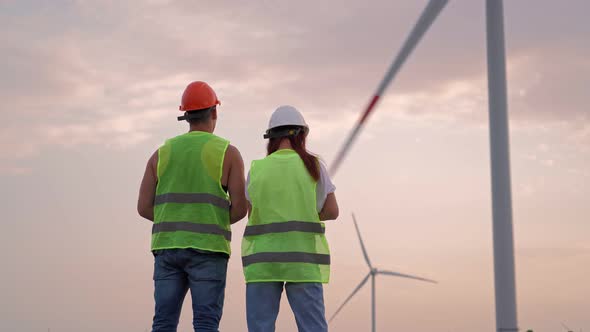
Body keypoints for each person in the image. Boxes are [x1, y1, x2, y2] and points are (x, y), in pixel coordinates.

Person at [137, 81, 247, 332]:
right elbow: (240, 208)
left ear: (185, 115)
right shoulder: (228, 153)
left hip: (167, 249)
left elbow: (143, 207)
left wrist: (174, 219)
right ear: (214, 112)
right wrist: (208, 220)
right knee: (206, 323)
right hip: (209, 250)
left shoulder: (161, 153)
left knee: (163, 322)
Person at [241, 105, 339, 332]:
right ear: (301, 135)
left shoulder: (257, 170)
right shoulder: (313, 166)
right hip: (302, 261)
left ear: (271, 139)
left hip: (263, 264)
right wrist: (306, 210)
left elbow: (251, 213)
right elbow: (332, 211)